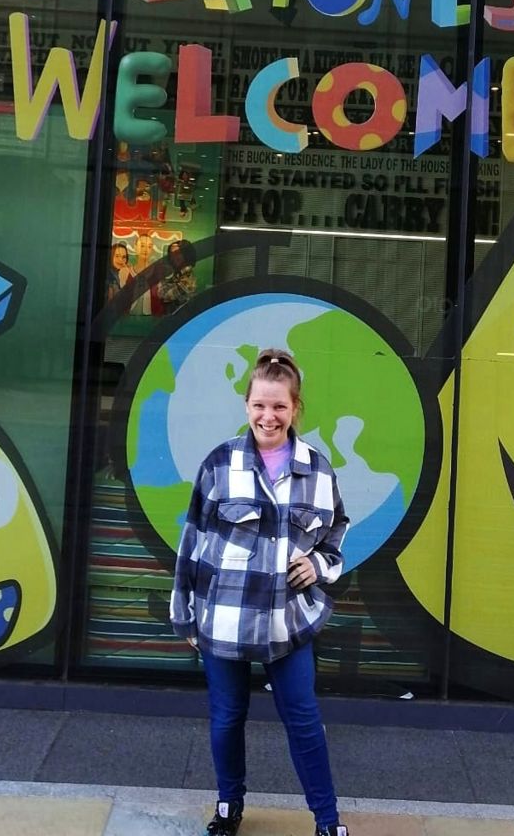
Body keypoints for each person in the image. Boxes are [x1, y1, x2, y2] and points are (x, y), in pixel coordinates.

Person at [170, 349, 349, 836]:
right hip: (223, 615)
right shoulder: (219, 463)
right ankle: (229, 806)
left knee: (305, 721)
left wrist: (317, 565)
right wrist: (185, 615)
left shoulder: (318, 469)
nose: (268, 417)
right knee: (227, 718)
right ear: (246, 406)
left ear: (296, 410)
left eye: (279, 407)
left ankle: (328, 822)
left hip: (287, 621)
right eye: (259, 406)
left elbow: (335, 535)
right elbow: (192, 539)